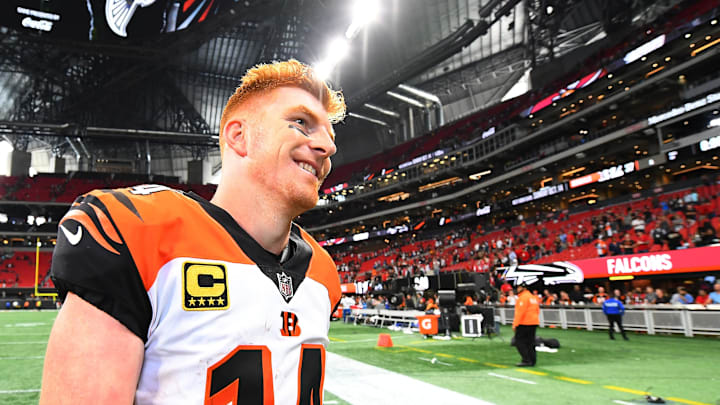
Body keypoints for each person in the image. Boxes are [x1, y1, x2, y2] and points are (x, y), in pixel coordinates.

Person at [40, 60, 347, 405]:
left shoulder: (322, 272)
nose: (327, 147)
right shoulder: (142, 232)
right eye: (301, 123)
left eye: (330, 135)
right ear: (239, 136)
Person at [512, 281, 540, 367]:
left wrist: (515, 324)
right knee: (530, 342)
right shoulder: (533, 297)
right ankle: (532, 360)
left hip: (525, 322)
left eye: (519, 287)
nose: (517, 289)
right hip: (534, 322)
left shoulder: (523, 298)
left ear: (523, 288)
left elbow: (520, 312)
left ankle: (526, 359)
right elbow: (537, 310)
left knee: (519, 341)